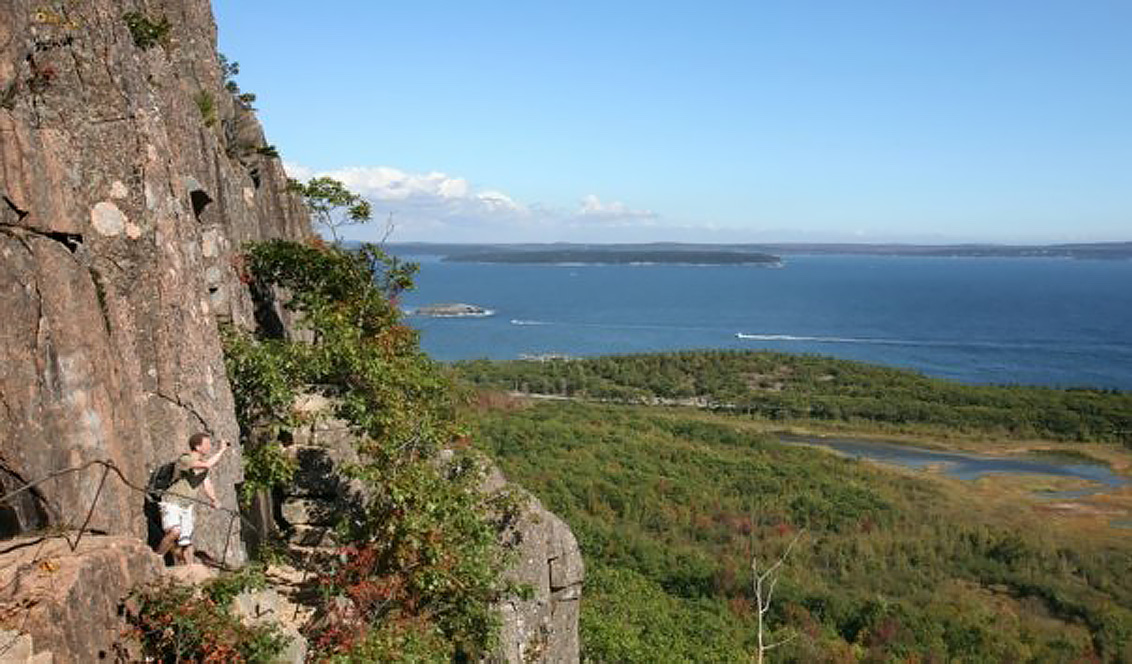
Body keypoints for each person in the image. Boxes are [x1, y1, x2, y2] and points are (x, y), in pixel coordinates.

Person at [155, 432, 230, 565]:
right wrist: (222, 450)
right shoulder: (186, 459)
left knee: (186, 541)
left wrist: (214, 499)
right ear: (197, 446)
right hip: (172, 501)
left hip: (187, 506)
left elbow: (207, 485)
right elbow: (207, 465)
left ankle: (190, 570)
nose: (209, 447)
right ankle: (156, 559)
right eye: (206, 444)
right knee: (174, 532)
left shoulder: (202, 465)